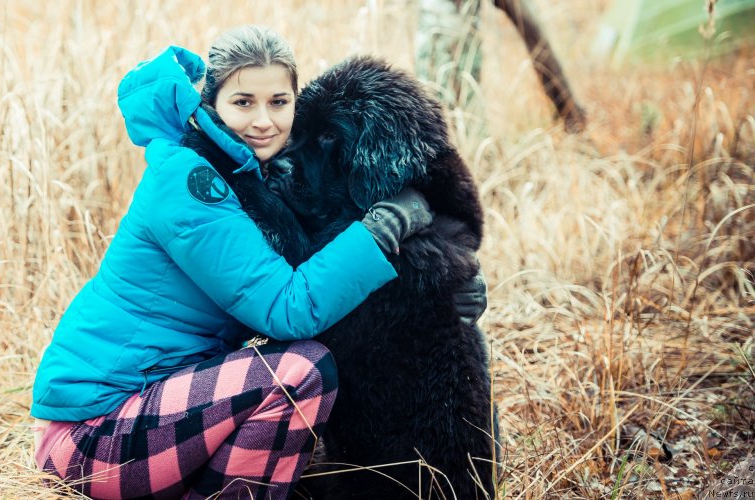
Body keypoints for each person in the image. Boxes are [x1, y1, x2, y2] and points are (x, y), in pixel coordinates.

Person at [31, 25, 487, 499]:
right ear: (212, 104)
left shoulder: (249, 175)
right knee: (298, 373)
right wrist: (384, 227)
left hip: (157, 410)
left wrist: (442, 281)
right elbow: (288, 309)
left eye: (279, 102)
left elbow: (317, 265)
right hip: (93, 436)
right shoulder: (190, 183)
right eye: (243, 102)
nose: (263, 121)